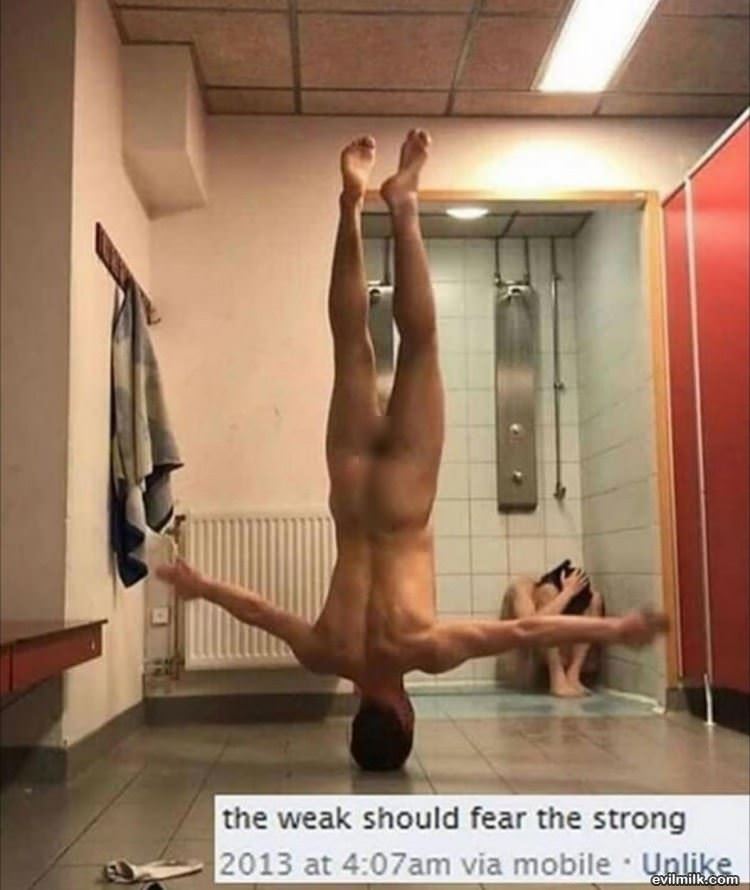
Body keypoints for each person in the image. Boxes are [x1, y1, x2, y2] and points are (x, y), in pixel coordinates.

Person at [157, 130, 668, 772]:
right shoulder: (326, 653)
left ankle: (403, 205)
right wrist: (199, 585)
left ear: (403, 716)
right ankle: (350, 204)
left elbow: (525, 630)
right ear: (358, 719)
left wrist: (615, 629)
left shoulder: (424, 648)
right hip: (350, 492)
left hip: (405, 494)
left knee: (421, 347)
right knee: (350, 345)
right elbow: (259, 611)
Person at [501, 564, 605, 698]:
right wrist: (567, 593)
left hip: (565, 658)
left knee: (595, 598)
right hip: (531, 652)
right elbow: (529, 627)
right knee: (548, 594)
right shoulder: (522, 588)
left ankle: (573, 675)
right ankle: (557, 678)